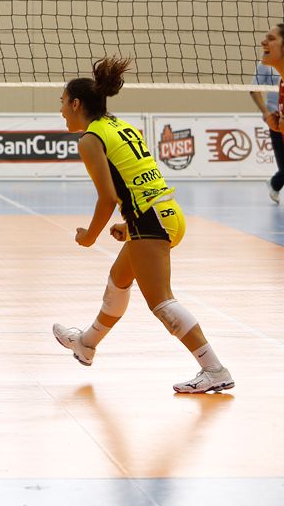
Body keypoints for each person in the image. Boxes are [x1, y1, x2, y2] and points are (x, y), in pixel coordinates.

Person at [52, 57, 234, 394]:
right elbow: (135, 180)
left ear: (76, 104)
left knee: (161, 302)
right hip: (163, 213)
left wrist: (90, 236)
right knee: (119, 279)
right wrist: (128, 222)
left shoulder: (91, 139)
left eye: (62, 102)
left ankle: (214, 369)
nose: (61, 110)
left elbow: (106, 198)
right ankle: (87, 343)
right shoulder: (119, 125)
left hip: (151, 219)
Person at [250, 39, 284, 203]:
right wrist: (265, 112)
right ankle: (275, 184)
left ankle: (275, 183)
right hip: (276, 120)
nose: (265, 42)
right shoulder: (266, 63)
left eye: (271, 38)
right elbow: (253, 89)